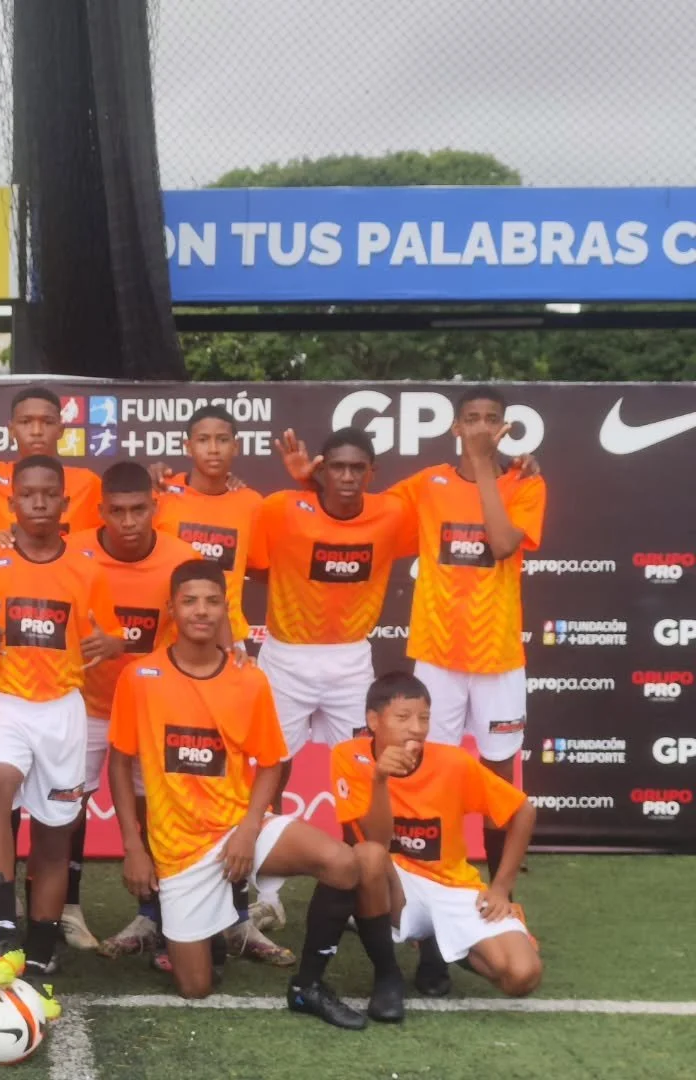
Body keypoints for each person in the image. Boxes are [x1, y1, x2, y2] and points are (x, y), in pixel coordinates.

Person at [108, 560, 398, 1028]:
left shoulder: (250, 679)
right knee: (195, 988)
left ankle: (308, 985)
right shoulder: (140, 678)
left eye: (211, 601)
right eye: (189, 601)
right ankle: (211, 931)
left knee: (345, 862)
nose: (200, 611)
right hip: (179, 851)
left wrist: (247, 829)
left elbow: (271, 762)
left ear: (226, 608)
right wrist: (133, 847)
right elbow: (120, 763)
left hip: (240, 829)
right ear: (171, 609)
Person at [0, 455, 123, 1019]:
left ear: (65, 505)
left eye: (49, 495)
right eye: (28, 495)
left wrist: (110, 645)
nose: (39, 503)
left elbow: (112, 633)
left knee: (53, 833)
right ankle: (3, 929)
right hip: (3, 702)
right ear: (12, 502)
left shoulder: (88, 571)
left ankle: (39, 959)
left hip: (65, 709)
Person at [381, 387, 547, 993]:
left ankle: (500, 901)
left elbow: (503, 544)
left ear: (505, 428)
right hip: (439, 656)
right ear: (455, 426)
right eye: (471, 419)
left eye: (490, 420)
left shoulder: (526, 484)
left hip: (498, 654)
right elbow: (368, 516)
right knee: (429, 778)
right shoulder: (425, 484)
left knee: (499, 782)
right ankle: (427, 931)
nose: (481, 426)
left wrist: (484, 468)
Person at [247, 427, 417, 928]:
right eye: (336, 467)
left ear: (372, 473)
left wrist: (512, 468)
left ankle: (361, 878)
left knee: (363, 769)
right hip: (287, 655)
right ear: (321, 469)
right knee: (271, 766)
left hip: (349, 660)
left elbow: (453, 503)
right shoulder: (280, 508)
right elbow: (259, 566)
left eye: (356, 468)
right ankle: (267, 894)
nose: (346, 477)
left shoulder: (393, 513)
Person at [62, 463, 209, 954]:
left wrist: (120, 644)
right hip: (83, 703)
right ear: (100, 511)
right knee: (67, 807)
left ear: (156, 507)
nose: (128, 521)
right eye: (117, 511)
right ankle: (67, 909)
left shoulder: (181, 557)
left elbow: (202, 628)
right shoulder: (72, 549)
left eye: (138, 510)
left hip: (152, 709)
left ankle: (154, 915)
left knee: (154, 809)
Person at [332, 672, 542, 1002]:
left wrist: (501, 887)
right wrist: (380, 780)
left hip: (452, 885)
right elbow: (377, 839)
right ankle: (388, 975)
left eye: (424, 718)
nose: (416, 727)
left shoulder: (453, 761)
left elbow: (523, 811)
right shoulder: (348, 756)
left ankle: (442, 949)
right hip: (395, 881)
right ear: (373, 720)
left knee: (521, 976)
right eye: (403, 717)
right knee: (366, 857)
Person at [152, 404, 265, 653]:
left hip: (228, 639)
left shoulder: (251, 503)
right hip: (167, 638)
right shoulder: (161, 494)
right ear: (188, 446)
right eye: (203, 440)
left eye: (222, 440)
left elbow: (259, 568)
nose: (213, 449)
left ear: (235, 446)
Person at [0, 387, 102, 538]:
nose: (36, 431)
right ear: (11, 430)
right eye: (26, 422)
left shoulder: (87, 483)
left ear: (60, 430)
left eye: (47, 422)